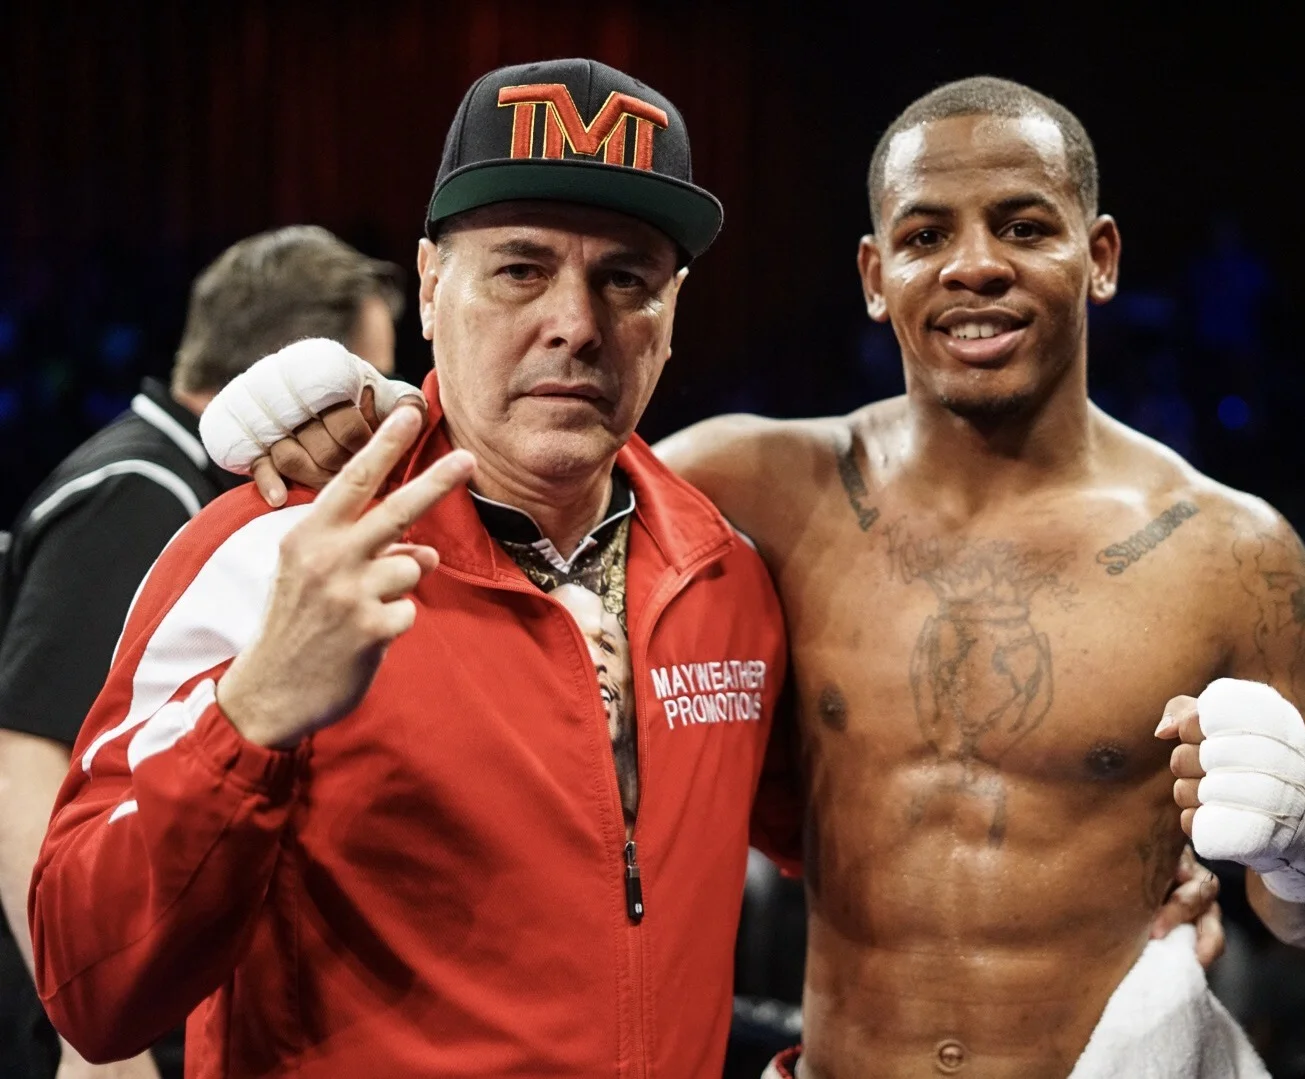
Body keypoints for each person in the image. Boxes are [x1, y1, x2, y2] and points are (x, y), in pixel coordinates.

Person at [200, 76, 1305, 1078]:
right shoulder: (754, 488)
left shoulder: (1228, 548)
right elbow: (537, 467)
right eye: (927, 233)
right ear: (874, 276)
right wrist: (361, 414)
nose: (974, 264)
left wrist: (1303, 843)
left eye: (1022, 226)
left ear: (1099, 255)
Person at [29, 59, 795, 1078]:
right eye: (520, 269)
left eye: (625, 279)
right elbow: (88, 986)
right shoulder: (268, 550)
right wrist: (249, 712)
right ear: (431, 288)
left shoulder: (728, 580)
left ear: (672, 310)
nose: (575, 323)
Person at [0, 225, 401, 1079]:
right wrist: (103, 1056)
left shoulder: (166, 477)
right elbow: (25, 753)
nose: (380, 421)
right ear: (296, 374)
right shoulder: (139, 494)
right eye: (365, 380)